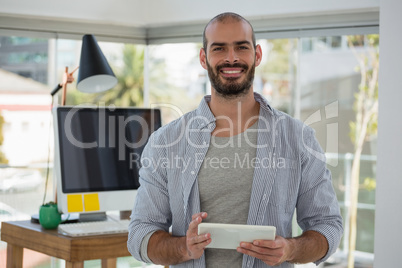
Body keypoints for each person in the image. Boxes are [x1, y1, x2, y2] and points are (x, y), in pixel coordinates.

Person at [127, 12, 343, 268]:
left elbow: (328, 227)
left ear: (258, 55)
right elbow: (140, 235)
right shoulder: (166, 142)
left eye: (241, 47)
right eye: (219, 49)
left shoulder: (299, 139)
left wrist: (290, 249)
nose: (231, 58)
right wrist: (183, 248)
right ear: (203, 57)